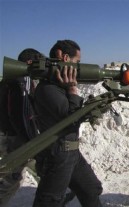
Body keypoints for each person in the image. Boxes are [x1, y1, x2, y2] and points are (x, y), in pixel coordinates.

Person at [33, 40, 103, 207]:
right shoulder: (47, 89)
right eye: (77, 62)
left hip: (71, 152)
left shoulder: (58, 87)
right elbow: (71, 116)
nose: (78, 67)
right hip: (58, 154)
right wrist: (72, 89)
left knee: (91, 188)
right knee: (49, 202)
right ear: (65, 58)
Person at [0, 48, 43, 205]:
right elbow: (19, 116)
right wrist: (30, 139)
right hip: (14, 137)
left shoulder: (10, 81)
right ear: (30, 63)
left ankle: (52, 190)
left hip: (11, 135)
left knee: (41, 166)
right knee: (13, 178)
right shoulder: (19, 83)